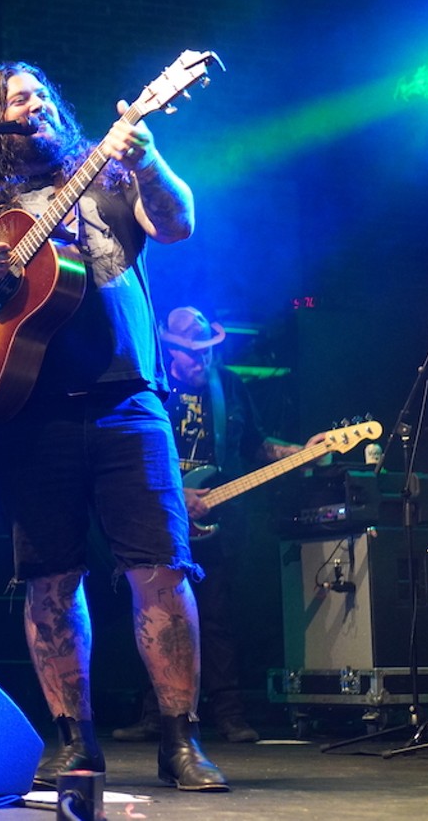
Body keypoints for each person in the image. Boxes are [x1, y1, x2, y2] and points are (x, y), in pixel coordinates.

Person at [0, 61, 229, 791]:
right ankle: (74, 740)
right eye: (17, 98)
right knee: (49, 579)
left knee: (160, 568)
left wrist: (151, 159)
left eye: (41, 95)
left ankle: (182, 741)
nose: (33, 104)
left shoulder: (103, 172)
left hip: (127, 399)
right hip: (27, 410)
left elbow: (179, 222)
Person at [113, 306, 324, 744]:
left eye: (208, 352)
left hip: (219, 521)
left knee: (217, 618)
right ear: (171, 350)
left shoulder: (227, 385)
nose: (202, 361)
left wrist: (301, 451)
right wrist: (176, 496)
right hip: (161, 520)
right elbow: (130, 455)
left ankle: (229, 714)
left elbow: (257, 446)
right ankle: (156, 714)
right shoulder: (151, 386)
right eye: (193, 354)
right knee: (156, 615)